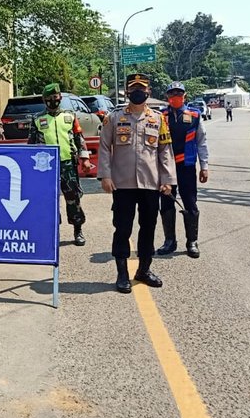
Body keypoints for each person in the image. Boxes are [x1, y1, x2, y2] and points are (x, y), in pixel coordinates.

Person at [98, 73, 176, 293]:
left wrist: (168, 179)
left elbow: (165, 151)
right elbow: (104, 147)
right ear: (127, 92)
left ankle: (144, 269)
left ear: (148, 92)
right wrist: (105, 175)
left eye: (142, 88)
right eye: (133, 89)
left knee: (148, 228)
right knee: (122, 228)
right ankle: (122, 273)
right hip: (122, 184)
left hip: (150, 183)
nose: (138, 92)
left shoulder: (158, 119)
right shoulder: (113, 118)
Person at [28, 83, 93, 246]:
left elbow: (79, 138)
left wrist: (85, 158)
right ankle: (53, 232)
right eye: (49, 99)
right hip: (45, 167)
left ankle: (78, 230)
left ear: (60, 98)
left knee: (73, 198)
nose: (52, 101)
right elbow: (31, 144)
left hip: (67, 164)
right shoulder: (37, 119)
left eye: (55, 98)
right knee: (49, 200)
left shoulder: (70, 116)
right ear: (44, 100)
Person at [156, 82, 210, 259]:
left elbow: (201, 142)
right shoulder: (160, 116)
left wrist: (204, 166)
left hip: (186, 166)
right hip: (165, 167)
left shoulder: (194, 115)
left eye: (179, 94)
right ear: (167, 97)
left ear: (184, 96)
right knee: (166, 204)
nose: (175, 98)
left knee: (190, 203)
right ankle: (169, 241)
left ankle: (192, 242)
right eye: (172, 95)